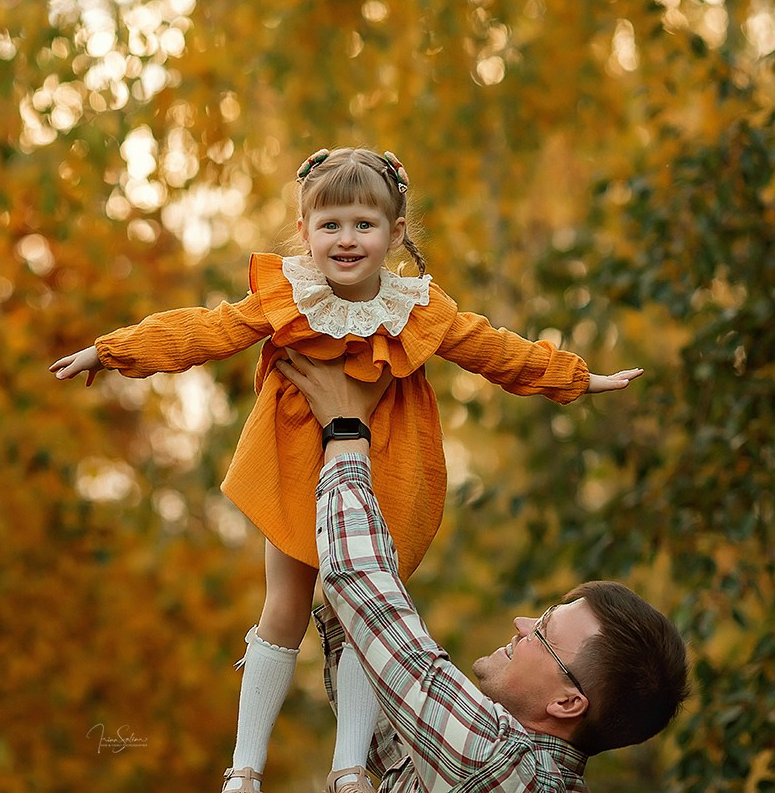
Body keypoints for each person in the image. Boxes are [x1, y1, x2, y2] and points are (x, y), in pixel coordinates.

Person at [49, 147, 644, 793]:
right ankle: (244, 767)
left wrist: (579, 379)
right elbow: (202, 330)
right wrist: (110, 351)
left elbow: (498, 350)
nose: (347, 238)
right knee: (285, 605)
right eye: (329, 224)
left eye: (364, 223)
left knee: (363, 613)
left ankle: (351, 768)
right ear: (304, 232)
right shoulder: (287, 296)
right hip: (294, 460)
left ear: (394, 234)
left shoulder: (419, 309)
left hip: (386, 464)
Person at [274, 350, 690, 792]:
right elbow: (386, 728)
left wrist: (345, 429)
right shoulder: (491, 772)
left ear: (567, 702)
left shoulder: (510, 770)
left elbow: (370, 599)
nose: (521, 624)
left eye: (543, 632)